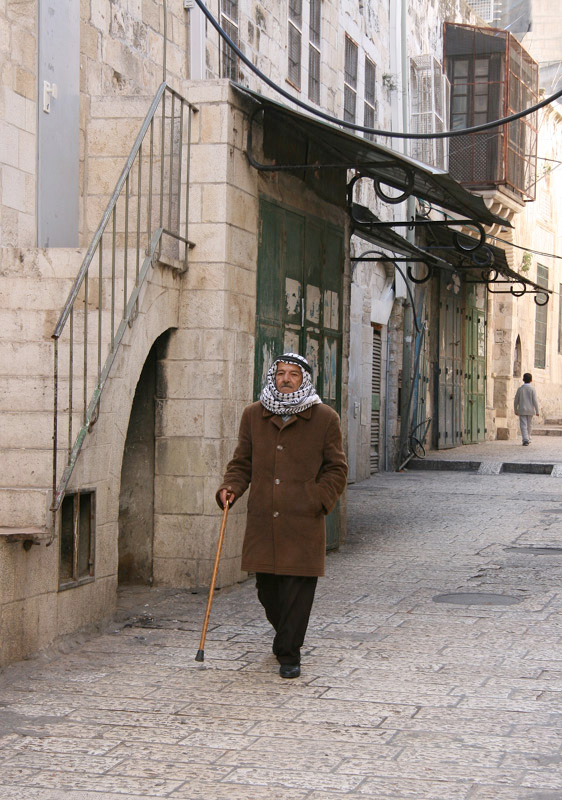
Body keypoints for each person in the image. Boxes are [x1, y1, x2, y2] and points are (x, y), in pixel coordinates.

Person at [217, 353, 347, 679]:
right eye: (280, 374)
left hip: (303, 521)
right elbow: (241, 462)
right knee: (267, 590)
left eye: (293, 374)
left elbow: (336, 468)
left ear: (304, 379)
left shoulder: (325, 418)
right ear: (272, 377)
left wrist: (317, 499)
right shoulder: (252, 415)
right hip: (264, 519)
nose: (286, 379)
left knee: (297, 590)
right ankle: (284, 636)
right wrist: (230, 487)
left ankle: (290, 653)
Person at [514, 372, 540, 446]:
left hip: (522, 409)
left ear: (523, 379)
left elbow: (516, 400)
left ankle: (525, 439)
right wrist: (537, 410)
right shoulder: (532, 389)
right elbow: (535, 400)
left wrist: (515, 409)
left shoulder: (520, 389)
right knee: (529, 424)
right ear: (531, 380)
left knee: (523, 425)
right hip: (530, 410)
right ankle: (528, 437)